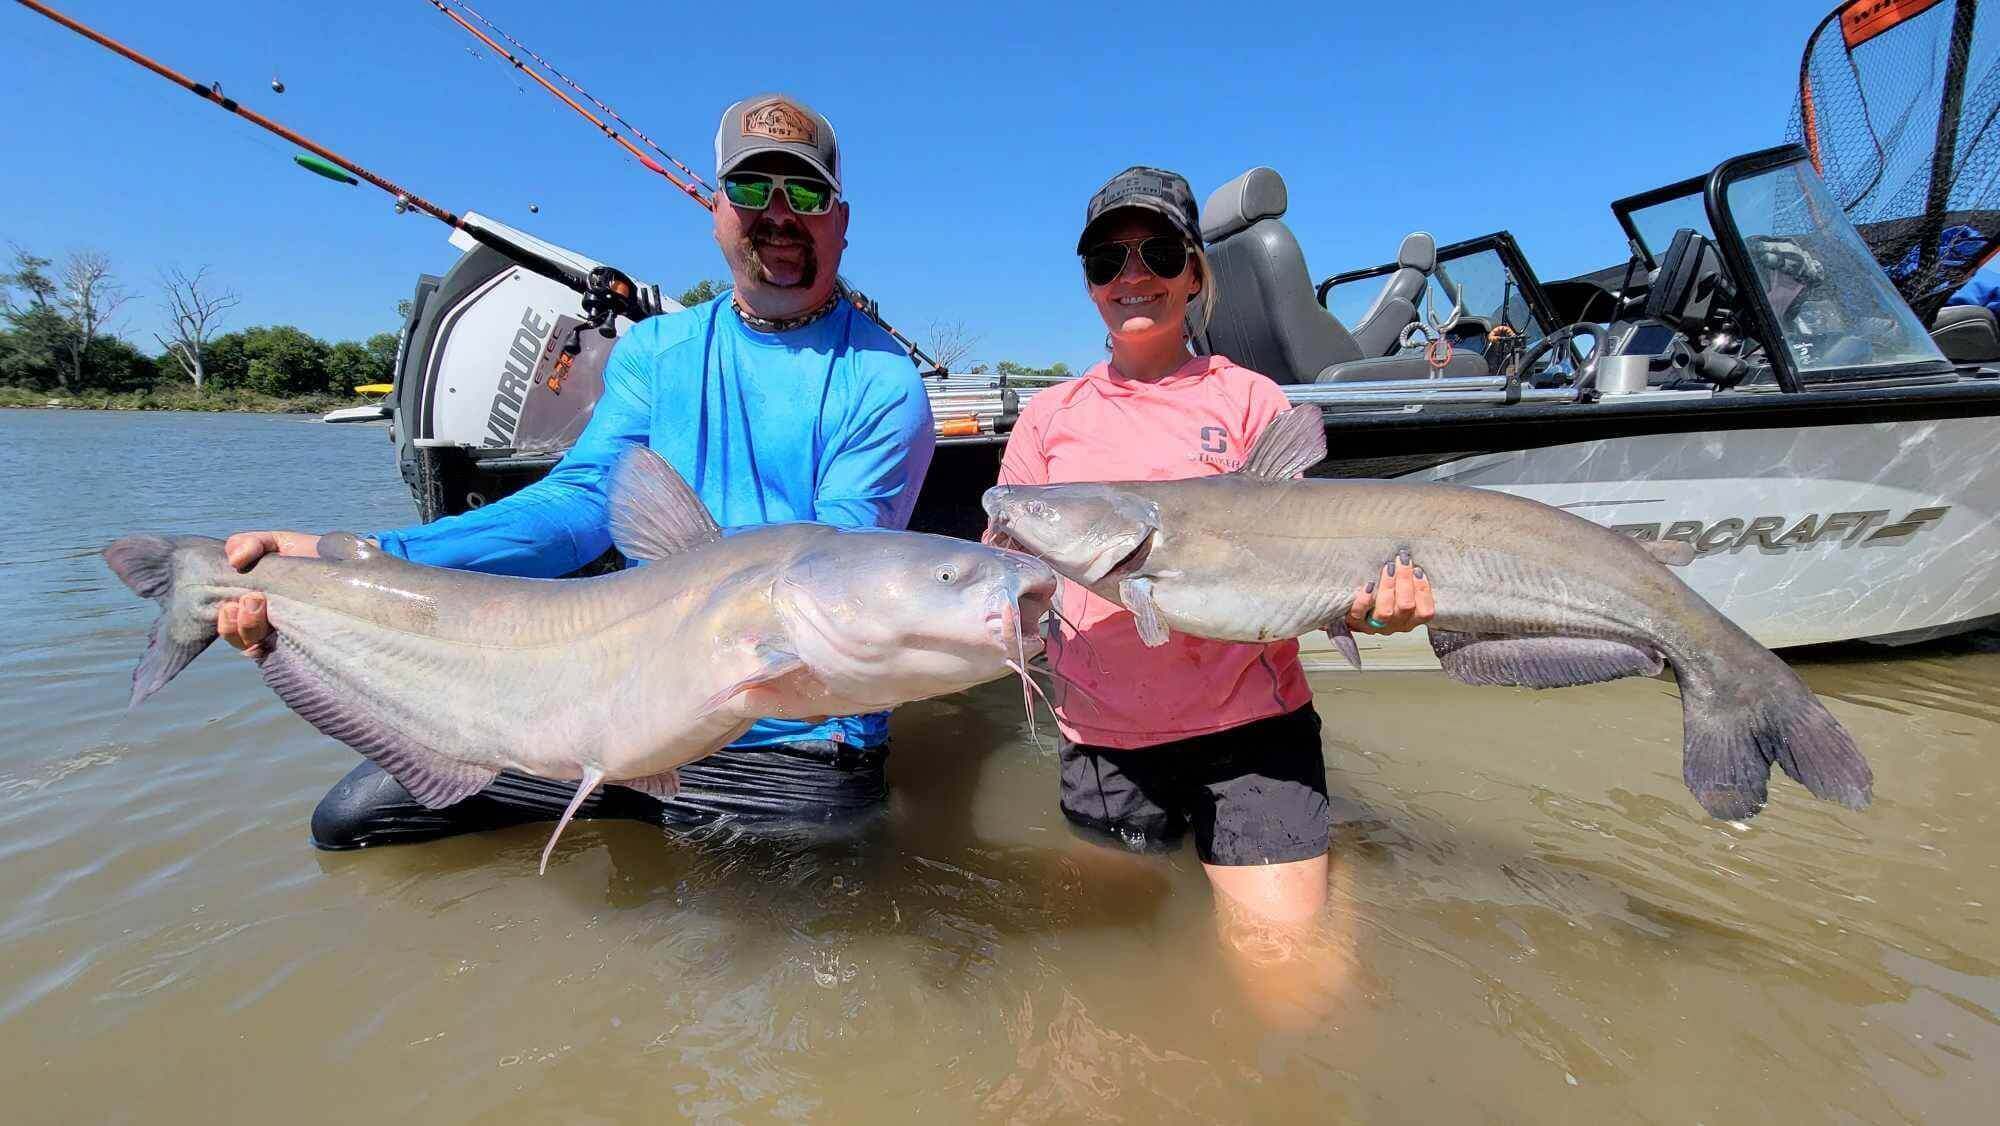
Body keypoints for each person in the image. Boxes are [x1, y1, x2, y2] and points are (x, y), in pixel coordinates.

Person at [216, 94, 936, 850]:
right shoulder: (656, 352)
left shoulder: (881, 382)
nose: (780, 214)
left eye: (807, 194)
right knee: (351, 824)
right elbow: (581, 505)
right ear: (717, 209)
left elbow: (834, 583)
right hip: (609, 711)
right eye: (753, 190)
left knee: (797, 929)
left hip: (790, 740)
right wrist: (356, 558)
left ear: (842, 221)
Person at [987, 166, 1435, 1017]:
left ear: (1195, 271)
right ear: (1088, 284)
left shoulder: (1250, 400)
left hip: (1250, 735)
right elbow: (1008, 579)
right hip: (1105, 743)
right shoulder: (1047, 419)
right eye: (1106, 260)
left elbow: (1315, 571)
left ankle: (1332, 883)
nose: (1133, 276)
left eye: (1158, 251)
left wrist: (1376, 608)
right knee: (1111, 983)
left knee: (1285, 983)